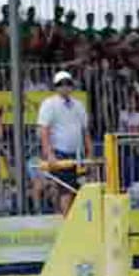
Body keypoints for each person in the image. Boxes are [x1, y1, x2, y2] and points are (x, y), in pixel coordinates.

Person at [37, 70, 92, 215]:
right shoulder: (49, 104)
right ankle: (66, 221)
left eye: (68, 83)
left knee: (77, 190)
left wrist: (89, 153)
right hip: (60, 153)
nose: (65, 87)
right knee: (65, 190)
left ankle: (69, 219)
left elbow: (85, 131)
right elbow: (44, 130)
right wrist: (49, 154)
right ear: (55, 87)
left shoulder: (79, 105)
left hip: (78, 155)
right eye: (61, 84)